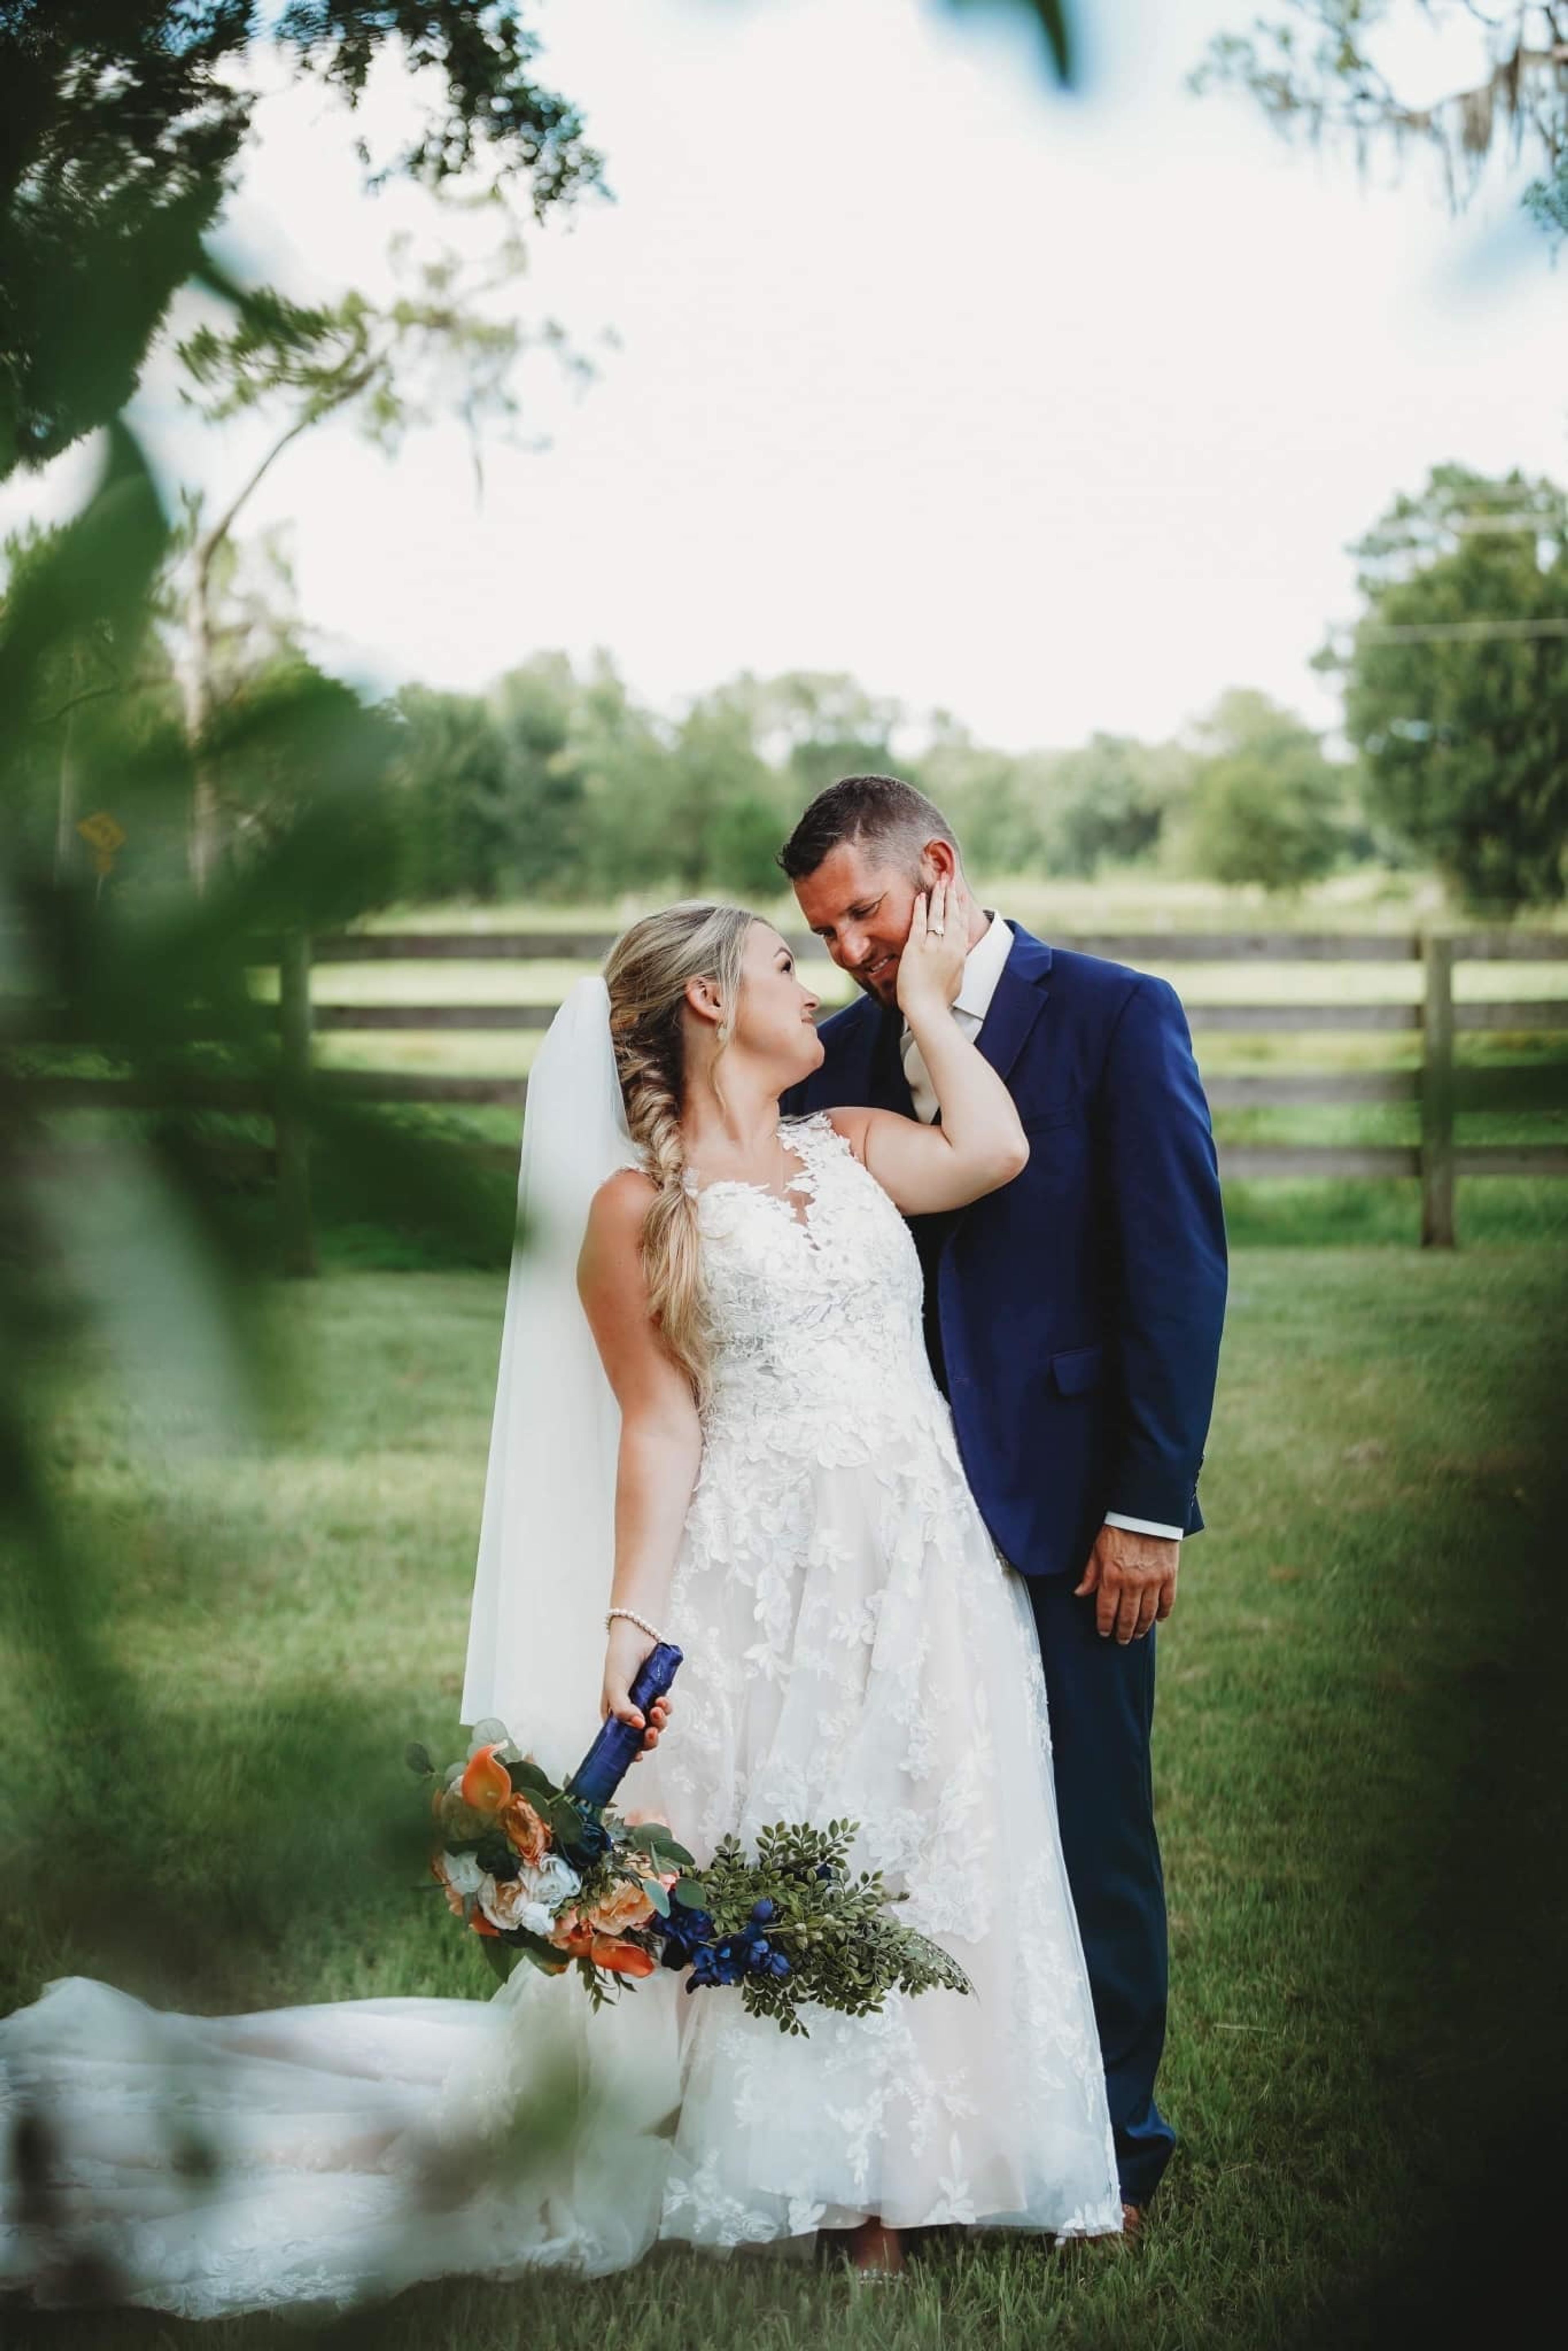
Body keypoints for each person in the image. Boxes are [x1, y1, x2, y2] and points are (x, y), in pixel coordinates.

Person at [0, 891, 1121, 2318]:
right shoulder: (638, 1212)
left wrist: (924, 1008)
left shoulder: (852, 1148)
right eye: (786, 964)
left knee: (939, 1830)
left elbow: (998, 1147)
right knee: (812, 1836)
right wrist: (628, 1624)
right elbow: (659, 1429)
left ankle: (950, 2157)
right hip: (766, 1570)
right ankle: (843, 2192)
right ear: (712, 1002)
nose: (815, 978)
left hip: (922, 1557)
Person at [780, 775, 1228, 2227]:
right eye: (825, 931)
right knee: (928, 1821)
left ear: (940, 871)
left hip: (1077, 1496)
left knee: (1095, 1821)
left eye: (863, 914)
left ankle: (1119, 2147)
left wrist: (1148, 1504)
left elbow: (1176, 1273)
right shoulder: (838, 1054)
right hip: (900, 1515)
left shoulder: (1113, 1013)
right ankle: (944, 2147)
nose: (848, 950)